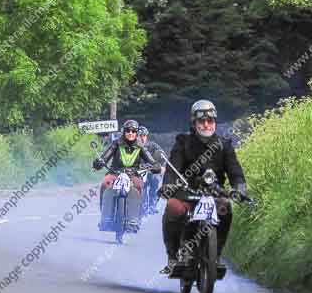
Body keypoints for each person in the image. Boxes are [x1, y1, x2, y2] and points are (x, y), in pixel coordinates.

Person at [159, 100, 248, 274]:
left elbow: (235, 172)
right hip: (187, 193)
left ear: (215, 122)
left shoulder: (224, 144)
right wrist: (168, 186)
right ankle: (173, 256)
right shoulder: (183, 142)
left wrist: (240, 189)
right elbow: (172, 169)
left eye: (210, 121)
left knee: (226, 208)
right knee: (173, 209)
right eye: (202, 121)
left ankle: (217, 255)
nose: (206, 125)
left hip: (215, 193)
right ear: (194, 123)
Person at [92, 119, 160, 232]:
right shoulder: (116, 143)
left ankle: (135, 219)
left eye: (133, 131)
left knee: (139, 186)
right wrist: (99, 161)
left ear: (136, 133)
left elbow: (151, 160)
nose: (130, 133)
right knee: (105, 184)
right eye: (128, 130)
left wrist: (155, 165)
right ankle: (105, 217)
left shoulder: (140, 147)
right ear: (124, 131)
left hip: (133, 174)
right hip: (115, 172)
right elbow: (105, 156)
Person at [137, 126, 165, 215]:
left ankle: (152, 204)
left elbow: (161, 154)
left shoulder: (152, 145)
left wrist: (161, 158)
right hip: (139, 172)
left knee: (155, 180)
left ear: (146, 136)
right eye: (140, 135)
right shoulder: (133, 147)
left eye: (144, 135)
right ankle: (142, 205)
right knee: (141, 184)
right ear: (136, 136)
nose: (142, 138)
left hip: (152, 171)